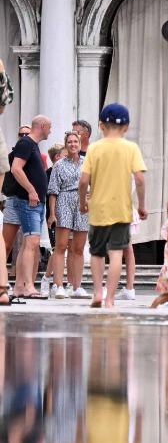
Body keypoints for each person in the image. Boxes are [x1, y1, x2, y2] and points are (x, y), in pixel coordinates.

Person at [78, 103, 148, 310]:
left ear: (101, 125)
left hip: (98, 208)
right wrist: (142, 205)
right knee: (117, 253)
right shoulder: (131, 148)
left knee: (98, 252)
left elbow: (83, 181)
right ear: (126, 126)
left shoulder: (94, 148)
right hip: (122, 209)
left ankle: (97, 292)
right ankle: (110, 299)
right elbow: (140, 179)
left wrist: (83, 202)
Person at [2, 115, 50, 299]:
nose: (50, 130)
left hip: (32, 201)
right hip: (28, 201)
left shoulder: (33, 146)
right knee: (31, 243)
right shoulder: (26, 143)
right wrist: (31, 190)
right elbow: (15, 168)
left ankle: (20, 287)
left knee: (26, 245)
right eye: (49, 127)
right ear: (43, 126)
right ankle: (29, 286)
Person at [45, 130, 89, 298]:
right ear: (66, 144)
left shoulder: (87, 163)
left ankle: (76, 287)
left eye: (75, 142)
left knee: (78, 248)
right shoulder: (59, 165)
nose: (72, 144)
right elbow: (53, 191)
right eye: (69, 142)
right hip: (64, 199)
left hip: (82, 203)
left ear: (79, 144)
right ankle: (58, 285)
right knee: (61, 246)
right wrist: (52, 214)